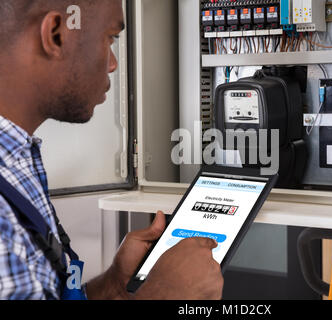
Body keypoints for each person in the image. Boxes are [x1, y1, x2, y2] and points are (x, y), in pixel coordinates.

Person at [0, 0, 224, 300]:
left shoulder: (18, 158)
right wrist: (163, 294)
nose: (113, 63)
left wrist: (113, 285)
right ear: (56, 34)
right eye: (109, 38)